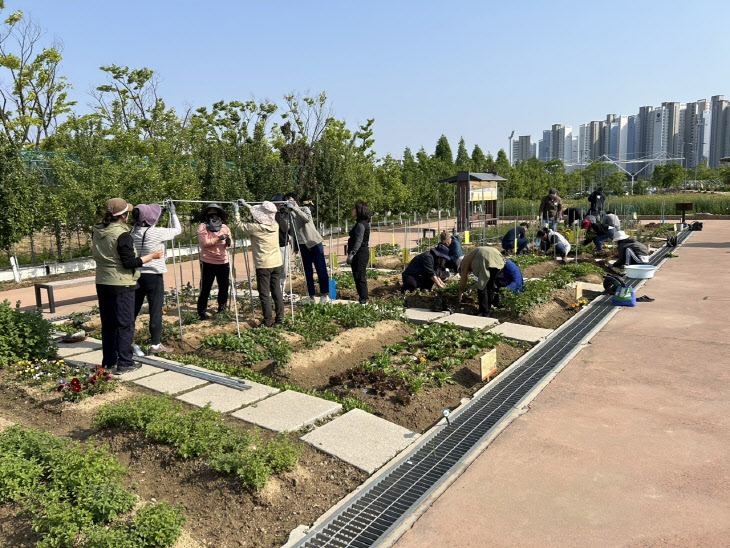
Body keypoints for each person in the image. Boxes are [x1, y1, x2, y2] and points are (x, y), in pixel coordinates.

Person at [92, 198, 163, 374]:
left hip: (102, 281)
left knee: (108, 324)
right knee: (124, 324)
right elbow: (129, 263)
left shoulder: (98, 231)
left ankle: (109, 361)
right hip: (122, 284)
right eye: (127, 212)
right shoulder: (123, 235)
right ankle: (125, 362)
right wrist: (151, 256)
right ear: (123, 215)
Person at [130, 201, 181, 354]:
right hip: (153, 276)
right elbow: (178, 230)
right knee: (155, 310)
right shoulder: (157, 232)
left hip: (137, 275)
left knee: (133, 310)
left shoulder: (132, 232)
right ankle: (155, 345)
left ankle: (126, 340)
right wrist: (173, 213)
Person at [234, 200, 284, 327]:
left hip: (264, 265)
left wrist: (236, 211)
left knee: (264, 294)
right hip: (277, 263)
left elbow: (238, 225)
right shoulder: (275, 225)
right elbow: (260, 215)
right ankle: (280, 318)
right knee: (276, 291)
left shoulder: (256, 228)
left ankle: (267, 321)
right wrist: (246, 206)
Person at [283, 193, 330, 303]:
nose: (288, 202)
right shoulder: (289, 215)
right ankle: (311, 296)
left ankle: (325, 295)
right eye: (286, 201)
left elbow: (306, 219)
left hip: (314, 242)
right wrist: (282, 214)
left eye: (290, 200)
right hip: (302, 245)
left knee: (321, 269)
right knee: (307, 271)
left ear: (295, 200)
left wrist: (294, 209)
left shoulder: (305, 209)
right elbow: (290, 230)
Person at [196, 203, 232, 320]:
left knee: (224, 287)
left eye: (215, 214)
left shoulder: (224, 227)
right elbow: (204, 243)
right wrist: (218, 238)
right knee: (205, 287)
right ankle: (201, 312)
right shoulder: (203, 227)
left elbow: (231, 245)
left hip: (223, 261)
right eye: (210, 214)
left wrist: (228, 241)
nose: (212, 216)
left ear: (219, 215)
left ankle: (221, 310)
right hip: (207, 261)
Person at [457, 246, 505, 317]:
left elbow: (464, 278)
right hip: (497, 257)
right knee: (491, 284)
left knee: (482, 286)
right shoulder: (470, 256)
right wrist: (473, 286)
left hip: (483, 257)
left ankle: (484, 312)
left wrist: (461, 291)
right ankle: (493, 306)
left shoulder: (464, 262)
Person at [346, 200, 371, 304]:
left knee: (360, 276)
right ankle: (362, 298)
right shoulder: (361, 223)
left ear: (358, 210)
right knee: (358, 276)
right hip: (360, 253)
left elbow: (359, 240)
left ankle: (364, 299)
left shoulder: (361, 224)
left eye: (354, 208)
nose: (352, 210)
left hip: (360, 254)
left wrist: (352, 253)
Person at [272, 194, 297, 295]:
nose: (277, 206)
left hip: (283, 245)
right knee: (273, 269)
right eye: (275, 204)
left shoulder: (286, 215)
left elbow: (286, 229)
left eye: (278, 204)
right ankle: (274, 290)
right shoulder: (269, 215)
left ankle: (281, 290)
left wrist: (282, 215)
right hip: (272, 245)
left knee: (283, 269)